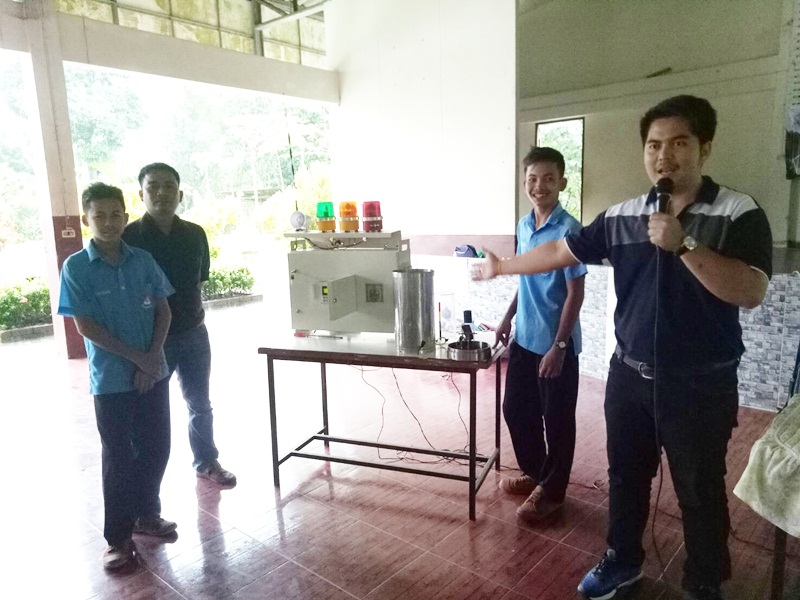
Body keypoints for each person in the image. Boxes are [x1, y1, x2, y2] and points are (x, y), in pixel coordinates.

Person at [473, 95, 772, 600]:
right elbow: (559, 250)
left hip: (700, 383)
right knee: (625, 477)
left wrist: (684, 244)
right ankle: (622, 561)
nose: (664, 156)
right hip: (629, 376)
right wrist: (502, 267)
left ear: (705, 148)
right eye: (654, 145)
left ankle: (704, 581)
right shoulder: (622, 216)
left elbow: (751, 290)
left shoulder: (738, 211)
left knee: (699, 489)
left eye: (679, 143)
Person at [58, 183, 178, 570]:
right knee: (119, 457)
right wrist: (138, 360)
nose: (108, 222)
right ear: (86, 219)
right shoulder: (76, 267)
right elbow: (87, 326)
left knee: (156, 447)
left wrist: (151, 359)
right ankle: (118, 539)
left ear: (125, 217)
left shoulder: (142, 259)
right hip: (111, 380)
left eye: (115, 215)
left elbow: (163, 311)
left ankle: (147, 514)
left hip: (153, 372)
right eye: (100, 216)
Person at [123, 163, 237, 487]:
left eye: (169, 186)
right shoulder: (129, 237)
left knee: (200, 403)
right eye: (153, 186)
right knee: (150, 411)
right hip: (151, 340)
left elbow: (198, 281)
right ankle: (146, 479)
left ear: (180, 194)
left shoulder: (195, 234)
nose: (161, 193)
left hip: (194, 333)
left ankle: (206, 461)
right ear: (141, 194)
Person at [495, 146, 586, 523]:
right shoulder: (523, 226)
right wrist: (507, 318)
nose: (539, 186)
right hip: (525, 339)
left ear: (562, 183)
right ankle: (537, 474)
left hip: (555, 345)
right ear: (524, 184)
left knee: (557, 420)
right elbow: (525, 278)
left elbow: (575, 293)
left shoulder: (569, 230)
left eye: (549, 178)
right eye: (532, 179)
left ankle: (552, 493)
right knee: (516, 409)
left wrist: (559, 347)